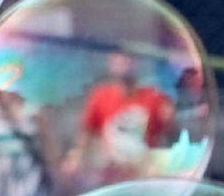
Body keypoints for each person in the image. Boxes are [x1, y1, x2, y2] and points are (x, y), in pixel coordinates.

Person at [69, 51, 175, 188]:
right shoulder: (100, 96)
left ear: (136, 62)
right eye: (118, 58)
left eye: (127, 58)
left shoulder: (153, 97)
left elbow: (165, 135)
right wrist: (75, 158)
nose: (123, 62)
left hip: (144, 176)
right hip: (111, 176)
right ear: (110, 62)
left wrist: (170, 118)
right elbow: (86, 132)